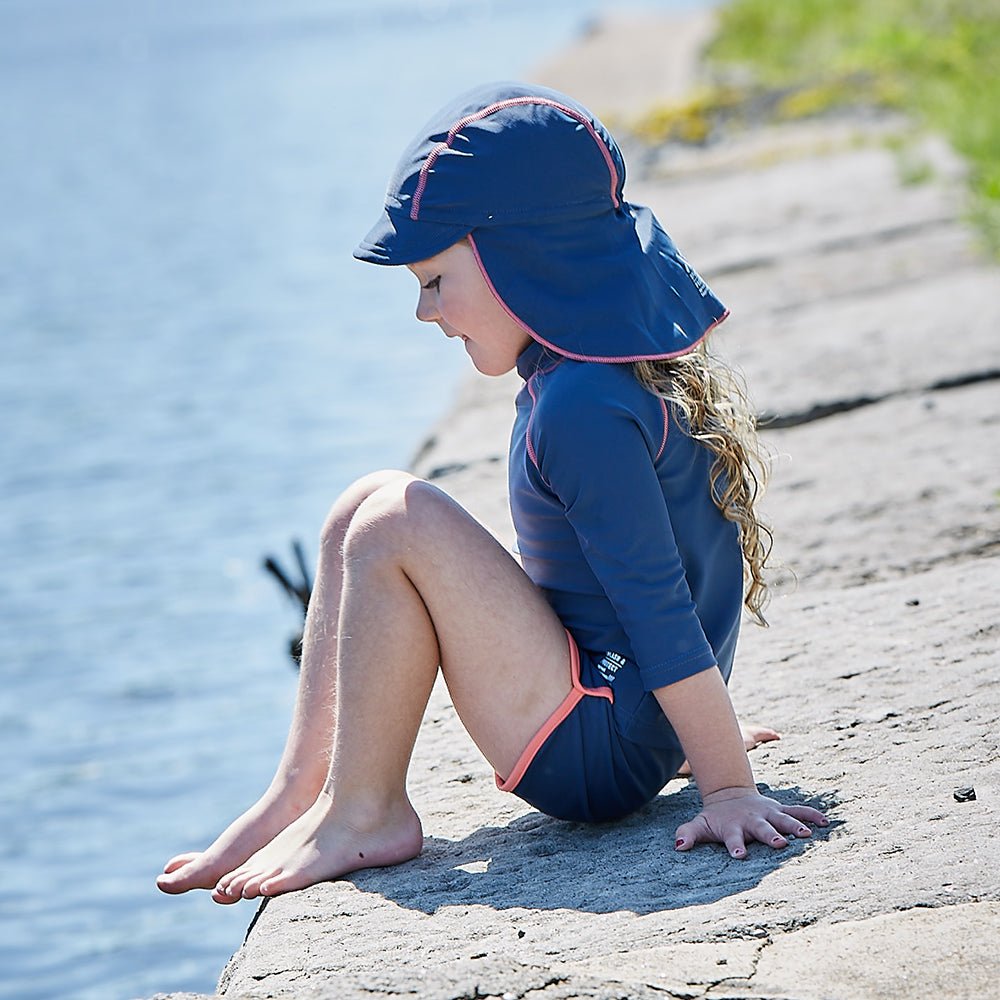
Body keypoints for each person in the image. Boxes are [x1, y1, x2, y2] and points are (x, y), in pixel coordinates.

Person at [157, 82, 827, 905]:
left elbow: (660, 605)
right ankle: (302, 792)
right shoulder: (590, 372)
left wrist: (726, 785)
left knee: (395, 522)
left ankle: (366, 811)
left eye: (436, 280)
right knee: (363, 499)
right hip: (621, 712)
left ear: (523, 259)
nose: (422, 311)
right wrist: (681, 737)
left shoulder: (579, 407)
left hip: (595, 746)